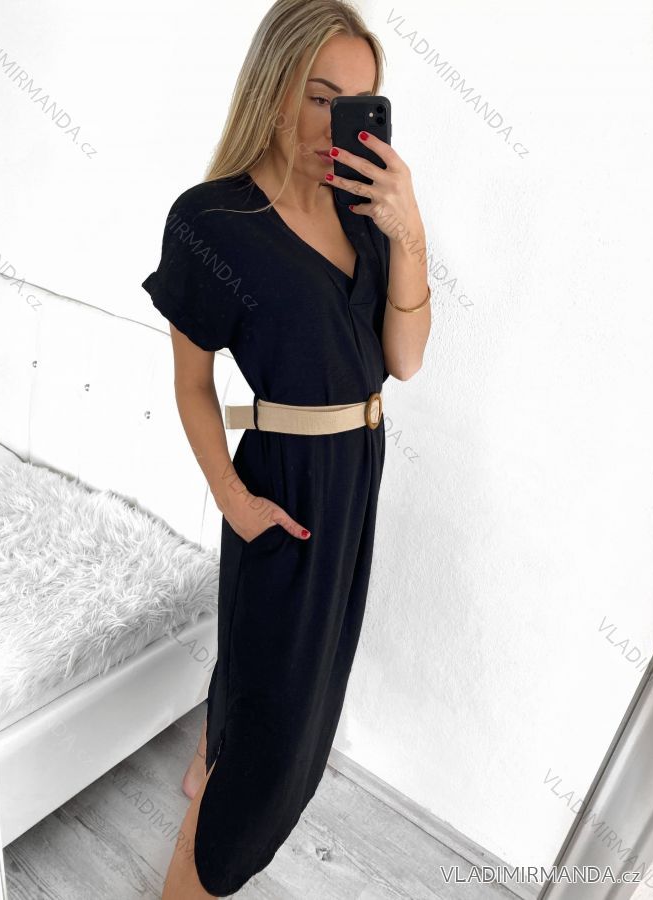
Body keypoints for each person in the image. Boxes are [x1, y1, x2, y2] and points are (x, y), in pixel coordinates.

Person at [142, 1, 430, 895]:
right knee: (274, 721)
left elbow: (403, 360)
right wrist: (233, 500)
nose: (336, 124)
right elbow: (193, 386)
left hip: (356, 479)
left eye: (358, 104)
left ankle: (206, 772)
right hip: (284, 489)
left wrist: (410, 232)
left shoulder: (364, 211)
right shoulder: (211, 221)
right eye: (318, 96)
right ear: (272, 86)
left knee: (300, 689)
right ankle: (199, 870)